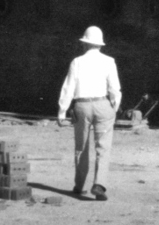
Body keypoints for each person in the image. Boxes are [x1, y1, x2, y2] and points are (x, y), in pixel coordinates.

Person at [57, 26, 121, 201]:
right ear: (100, 45)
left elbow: (68, 88)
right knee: (103, 147)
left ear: (85, 44)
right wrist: (113, 107)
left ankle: (79, 185)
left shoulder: (77, 62)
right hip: (103, 104)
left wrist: (62, 111)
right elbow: (115, 89)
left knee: (81, 147)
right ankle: (99, 184)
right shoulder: (109, 61)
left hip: (82, 106)